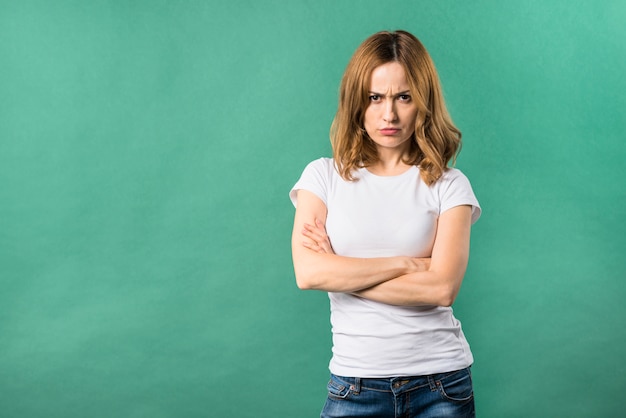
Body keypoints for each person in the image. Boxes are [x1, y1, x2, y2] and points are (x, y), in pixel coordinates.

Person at [289, 30, 481, 418]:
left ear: (422, 102)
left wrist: (342, 272)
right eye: (375, 98)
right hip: (353, 385)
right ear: (357, 102)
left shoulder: (450, 185)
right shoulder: (323, 178)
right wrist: (408, 264)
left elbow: (442, 288)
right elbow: (309, 273)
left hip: (440, 385)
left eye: (403, 97)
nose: (388, 114)